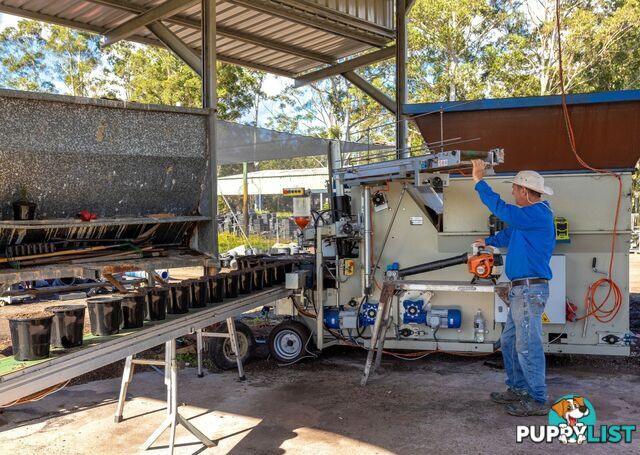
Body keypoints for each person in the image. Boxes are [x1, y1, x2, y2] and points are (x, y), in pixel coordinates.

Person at [471, 159, 556, 416]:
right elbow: (509, 234)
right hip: (520, 290)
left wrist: (479, 181)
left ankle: (538, 399)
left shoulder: (538, 212)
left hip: (530, 290)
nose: (512, 193)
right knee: (509, 341)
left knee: (527, 344)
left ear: (523, 191)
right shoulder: (527, 219)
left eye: (515, 189)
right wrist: (488, 240)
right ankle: (518, 389)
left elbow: (503, 211)